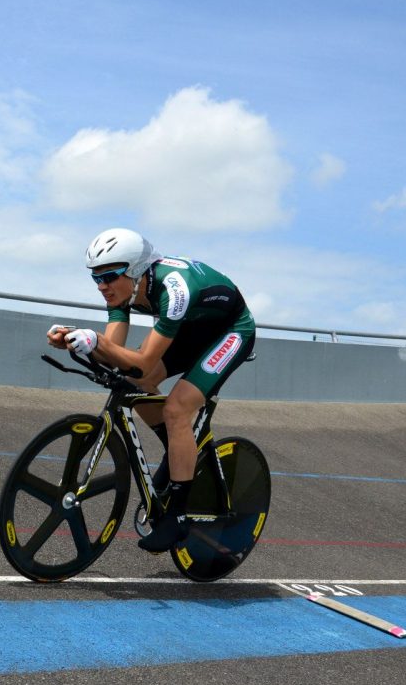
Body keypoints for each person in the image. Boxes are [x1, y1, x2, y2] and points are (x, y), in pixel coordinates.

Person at [46, 228, 256, 553]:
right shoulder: (122, 293)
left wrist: (96, 341)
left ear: (135, 271)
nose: (102, 286)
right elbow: (117, 357)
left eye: (110, 276)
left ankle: (177, 515)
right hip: (190, 328)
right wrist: (80, 342)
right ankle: (178, 449)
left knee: (177, 409)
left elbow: (142, 362)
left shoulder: (174, 290)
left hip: (230, 331)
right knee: (131, 384)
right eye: (96, 278)